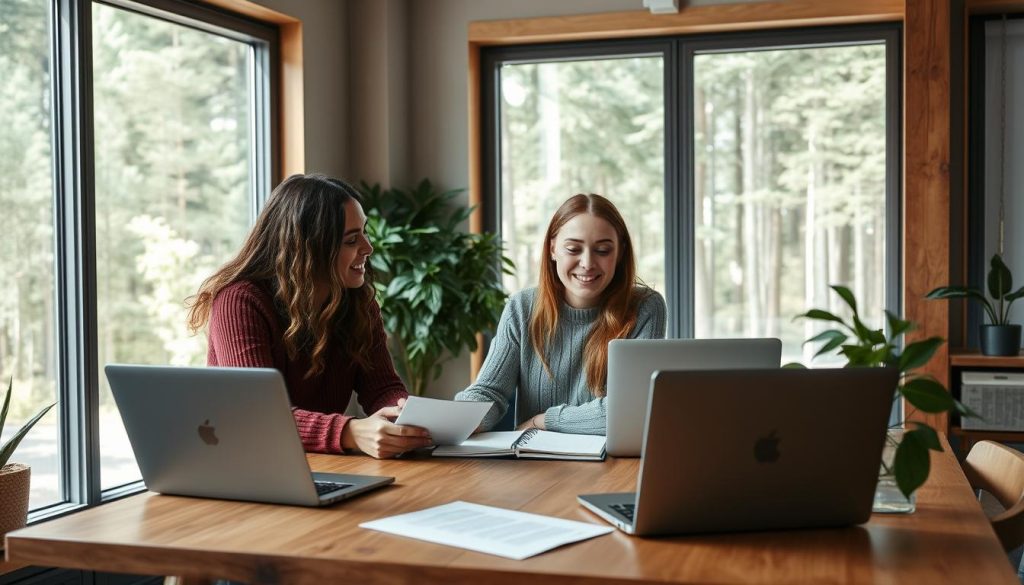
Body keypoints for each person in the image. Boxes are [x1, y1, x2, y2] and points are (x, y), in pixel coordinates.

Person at [186, 173, 431, 459]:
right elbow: (256, 413)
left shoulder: (357, 302)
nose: (368, 248)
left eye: (364, 232)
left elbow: (382, 387)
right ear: (310, 248)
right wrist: (348, 432)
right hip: (245, 465)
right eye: (352, 240)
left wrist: (406, 417)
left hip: (318, 465)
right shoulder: (240, 302)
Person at [455, 193, 666, 435]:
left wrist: (543, 421)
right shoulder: (521, 307)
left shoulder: (646, 307)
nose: (587, 263)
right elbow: (488, 392)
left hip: (612, 467)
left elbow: (630, 410)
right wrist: (451, 418)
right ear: (552, 248)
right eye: (573, 248)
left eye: (603, 250)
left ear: (619, 253)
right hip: (536, 465)